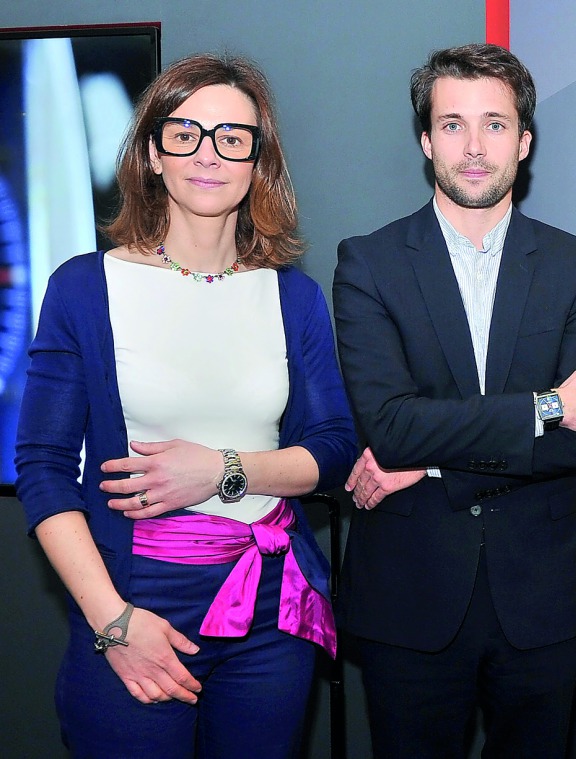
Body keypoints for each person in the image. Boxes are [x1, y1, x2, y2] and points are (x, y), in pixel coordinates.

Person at [15, 54, 357, 757]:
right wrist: (113, 622)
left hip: (272, 608)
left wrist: (224, 470)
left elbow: (331, 450)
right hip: (136, 600)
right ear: (152, 153)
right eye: (186, 133)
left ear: (257, 161)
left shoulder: (293, 297)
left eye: (233, 137)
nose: (209, 154)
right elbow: (43, 467)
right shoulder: (84, 287)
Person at [333, 43, 576, 757]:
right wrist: (547, 407)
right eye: (453, 124)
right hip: (410, 600)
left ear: (523, 142)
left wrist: (434, 466)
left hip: (543, 602)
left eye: (494, 124)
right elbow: (391, 425)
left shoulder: (574, 263)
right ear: (426, 139)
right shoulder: (367, 263)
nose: (473, 146)